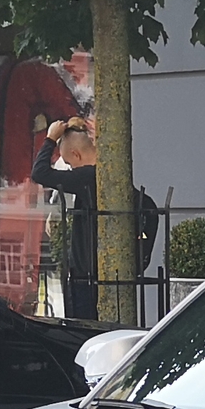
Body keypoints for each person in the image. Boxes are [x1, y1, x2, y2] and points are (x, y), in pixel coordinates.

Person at [30, 116, 158, 322]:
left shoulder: (87, 177)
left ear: (76, 154)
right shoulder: (110, 178)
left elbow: (40, 173)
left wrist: (50, 139)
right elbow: (149, 208)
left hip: (86, 280)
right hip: (105, 278)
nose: (72, 170)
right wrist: (141, 258)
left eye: (70, 164)